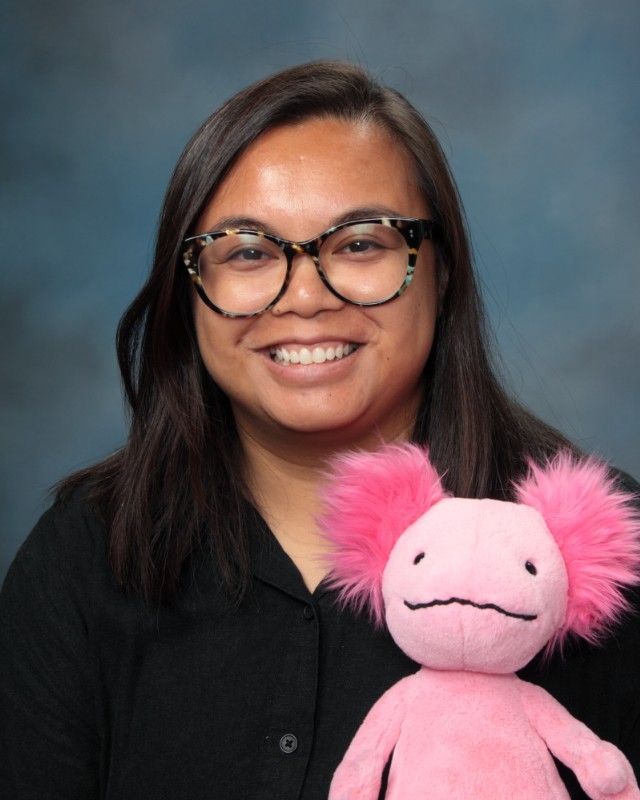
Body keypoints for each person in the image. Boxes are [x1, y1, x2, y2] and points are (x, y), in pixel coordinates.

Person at [0, 61, 637, 800]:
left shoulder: (591, 559)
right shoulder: (86, 558)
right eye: (246, 251)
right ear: (189, 293)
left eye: (361, 244)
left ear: (443, 271)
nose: (304, 297)